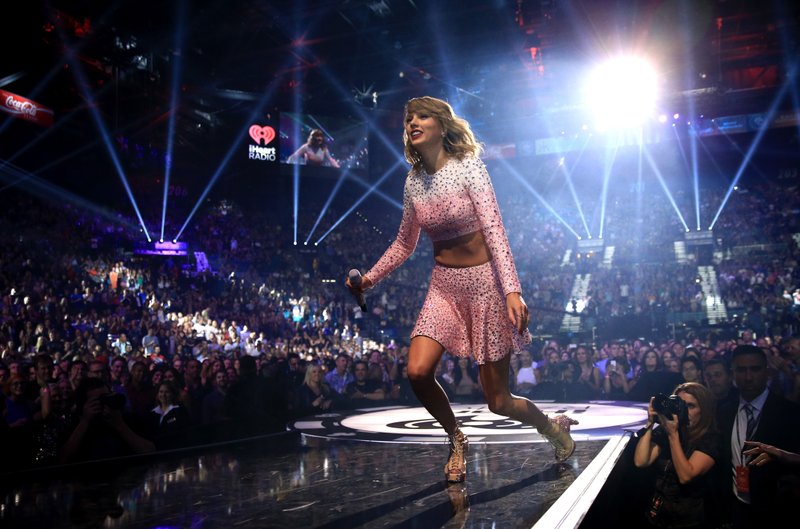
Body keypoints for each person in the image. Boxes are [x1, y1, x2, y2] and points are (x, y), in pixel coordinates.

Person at [346, 96, 576, 484]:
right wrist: (369, 279)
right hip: (444, 288)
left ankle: (552, 429)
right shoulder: (413, 182)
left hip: (486, 286)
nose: (411, 123)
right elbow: (404, 244)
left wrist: (512, 291)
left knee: (499, 401)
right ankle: (456, 438)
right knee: (417, 371)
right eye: (407, 119)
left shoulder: (469, 167)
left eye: (421, 116)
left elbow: (494, 230)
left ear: (441, 124)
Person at [716, 345, 800, 529]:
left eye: (755, 369)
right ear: (733, 374)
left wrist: (785, 457)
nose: (748, 377)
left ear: (767, 371)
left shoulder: (789, 412)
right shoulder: (724, 412)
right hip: (736, 507)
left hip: (778, 510)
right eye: (741, 370)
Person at [633, 382, 721, 528]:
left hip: (687, 522)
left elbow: (686, 476)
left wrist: (672, 435)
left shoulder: (711, 439)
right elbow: (641, 461)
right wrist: (650, 423)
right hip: (656, 516)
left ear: (704, 410)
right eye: (680, 404)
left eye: (691, 406)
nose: (684, 411)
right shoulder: (667, 430)